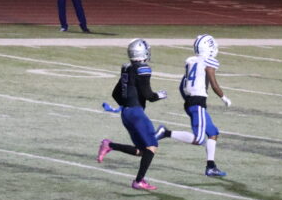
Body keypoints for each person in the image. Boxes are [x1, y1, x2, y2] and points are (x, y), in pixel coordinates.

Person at [154, 34, 231, 177]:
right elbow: (214, 84)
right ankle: (166, 132)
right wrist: (223, 97)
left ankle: (211, 167)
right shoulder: (209, 61)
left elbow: (182, 85)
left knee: (213, 133)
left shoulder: (191, 61)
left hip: (191, 101)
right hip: (197, 103)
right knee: (199, 139)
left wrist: (188, 99)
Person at [97, 39, 168, 190]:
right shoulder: (143, 68)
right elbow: (149, 95)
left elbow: (116, 94)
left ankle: (109, 145)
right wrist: (160, 95)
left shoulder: (127, 68)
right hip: (135, 113)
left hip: (126, 113)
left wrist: (127, 105)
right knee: (152, 146)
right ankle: (139, 181)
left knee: (142, 151)